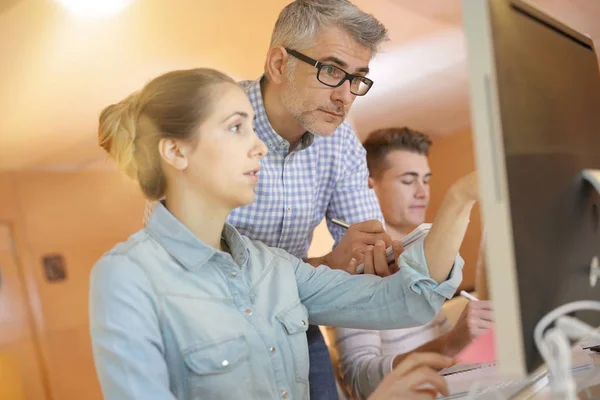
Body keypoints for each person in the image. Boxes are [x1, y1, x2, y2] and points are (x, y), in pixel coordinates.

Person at [89, 68, 465, 400]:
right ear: (176, 151)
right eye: (237, 127)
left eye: (252, 127)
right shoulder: (126, 278)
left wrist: (460, 201)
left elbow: (404, 301)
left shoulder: (273, 266)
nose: (259, 146)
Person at [205, 1, 483, 396]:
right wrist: (326, 265)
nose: (345, 96)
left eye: (357, 79)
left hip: (296, 313)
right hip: (214, 323)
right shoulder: (210, 123)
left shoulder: (341, 145)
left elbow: (369, 256)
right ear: (279, 64)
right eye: (332, 71)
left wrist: (383, 255)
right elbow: (195, 274)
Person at [335, 127, 494, 399]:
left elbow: (447, 348)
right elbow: (361, 383)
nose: (422, 192)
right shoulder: (352, 268)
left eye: (426, 180)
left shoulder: (423, 254)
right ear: (369, 186)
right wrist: (450, 343)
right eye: (408, 181)